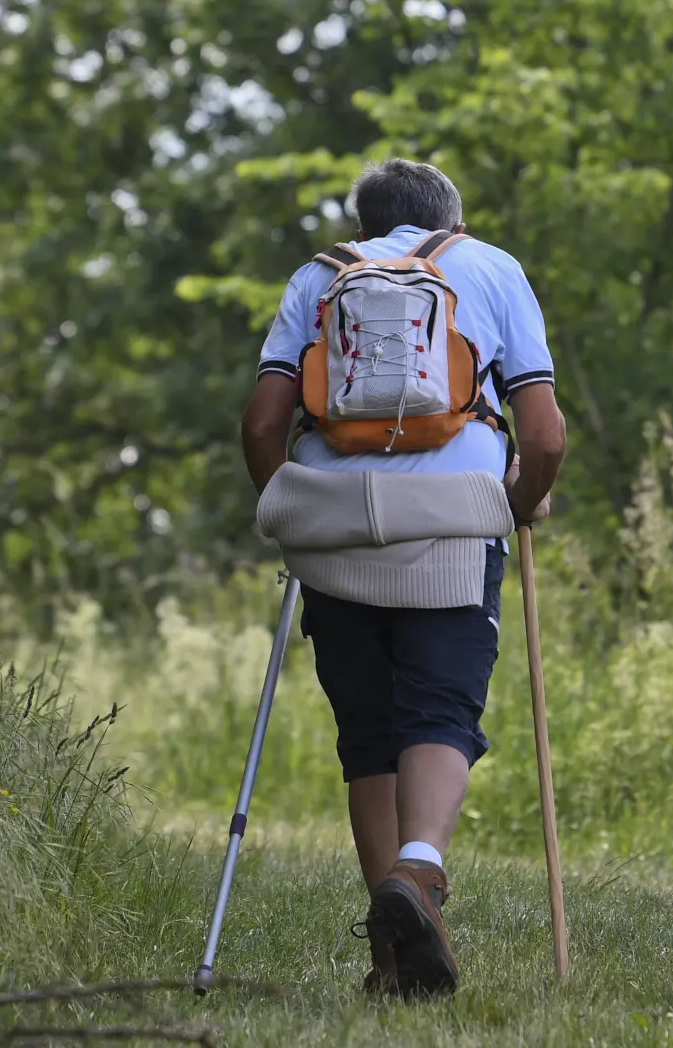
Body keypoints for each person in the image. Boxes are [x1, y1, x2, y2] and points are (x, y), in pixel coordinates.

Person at [240, 158, 566, 999]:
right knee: (440, 708)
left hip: (332, 519)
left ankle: (393, 961)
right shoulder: (489, 266)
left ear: (364, 225)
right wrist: (515, 504)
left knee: (368, 732)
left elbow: (264, 420)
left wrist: (287, 506)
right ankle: (418, 871)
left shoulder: (317, 275)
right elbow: (543, 432)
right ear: (452, 222)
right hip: (452, 517)